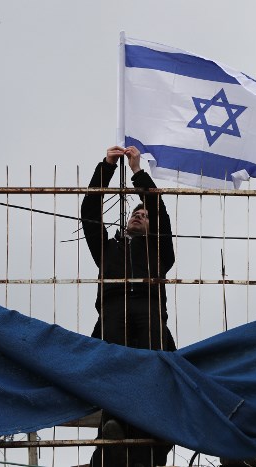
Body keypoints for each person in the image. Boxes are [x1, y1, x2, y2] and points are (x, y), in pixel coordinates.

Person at [82, 145, 176, 467]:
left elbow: (159, 210)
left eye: (144, 215)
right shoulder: (108, 250)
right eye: (136, 213)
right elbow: (90, 214)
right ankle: (113, 437)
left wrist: (137, 172)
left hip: (148, 314)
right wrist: (107, 167)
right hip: (112, 314)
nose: (139, 215)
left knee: (150, 374)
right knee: (114, 376)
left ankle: (151, 441)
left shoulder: (160, 252)